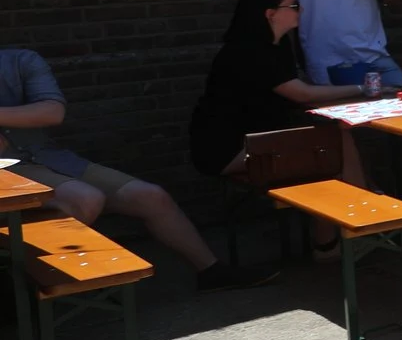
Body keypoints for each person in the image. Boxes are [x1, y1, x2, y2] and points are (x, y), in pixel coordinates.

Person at [0, 45, 253, 289]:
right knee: (85, 199)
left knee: (151, 196)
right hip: (7, 170)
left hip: (49, 157)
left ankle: (211, 272)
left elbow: (52, 111)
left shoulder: (21, 60)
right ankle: (37, 287)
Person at [188, 0, 369, 256]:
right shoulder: (247, 52)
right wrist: (362, 89)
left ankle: (349, 228)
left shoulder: (280, 44)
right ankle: (351, 230)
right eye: (294, 5)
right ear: (270, 13)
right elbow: (301, 94)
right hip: (229, 148)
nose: (301, 10)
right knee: (330, 150)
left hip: (265, 137)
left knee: (335, 139)